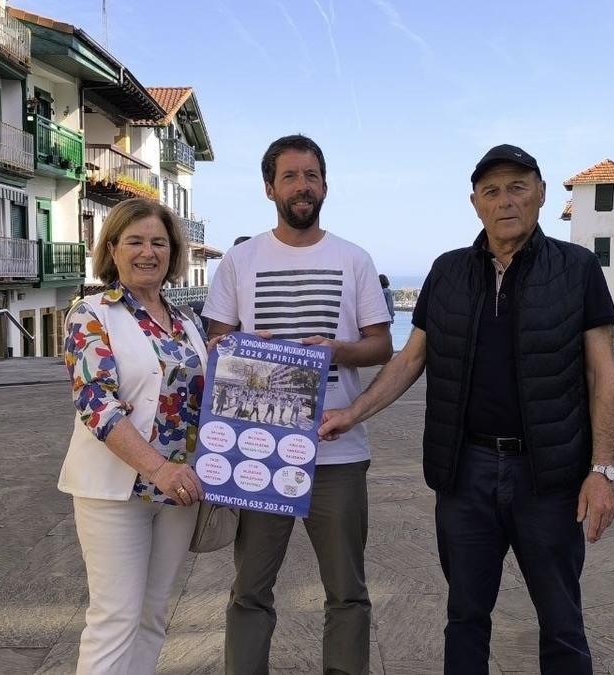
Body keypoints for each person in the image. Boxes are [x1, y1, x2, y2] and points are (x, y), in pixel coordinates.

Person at [320, 144, 614, 674]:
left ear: (542, 195)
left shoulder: (577, 269)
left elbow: (603, 373)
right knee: (464, 616)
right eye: (491, 191)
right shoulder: (448, 271)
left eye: (517, 187)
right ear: (475, 204)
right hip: (466, 474)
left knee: (562, 620)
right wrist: (354, 412)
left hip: (548, 476)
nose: (505, 201)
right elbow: (411, 359)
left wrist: (601, 470)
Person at [203, 134, 393, 674]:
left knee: (348, 592)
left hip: (338, 449)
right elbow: (218, 346)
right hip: (259, 452)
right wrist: (243, 354)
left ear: (325, 185)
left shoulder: (354, 259)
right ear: (270, 188)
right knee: (250, 592)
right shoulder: (239, 261)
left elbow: (382, 347)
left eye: (311, 175)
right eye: (290, 176)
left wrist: (337, 348)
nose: (302, 186)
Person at [60, 198, 209, 674]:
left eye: (159, 243)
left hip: (178, 490)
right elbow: (95, 404)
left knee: (152, 615)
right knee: (114, 617)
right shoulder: (91, 313)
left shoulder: (187, 322)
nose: (148, 252)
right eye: (136, 241)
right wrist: (158, 468)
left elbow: (206, 393)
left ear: (173, 252)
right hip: (118, 488)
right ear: (113, 249)